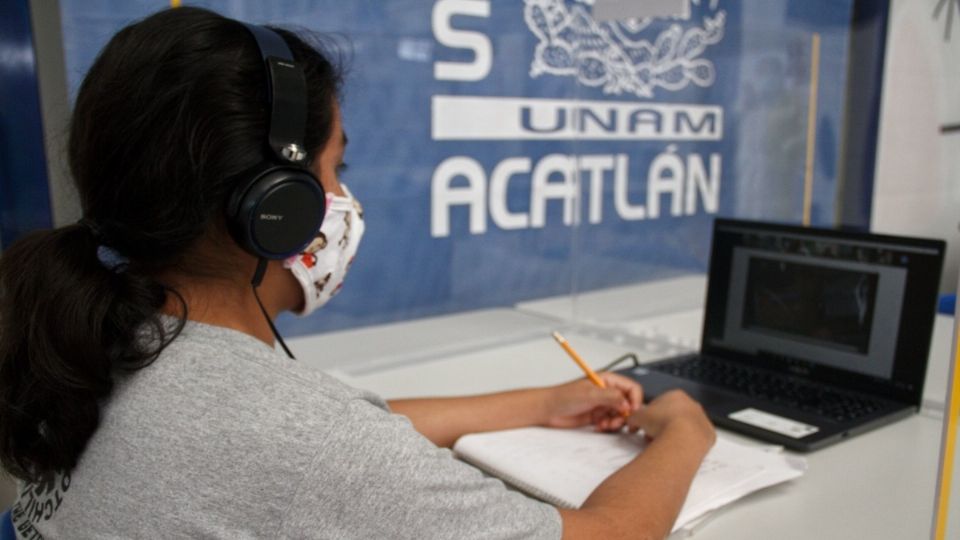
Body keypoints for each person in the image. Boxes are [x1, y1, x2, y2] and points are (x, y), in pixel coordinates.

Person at [0, 7, 715, 539]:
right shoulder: (297, 438)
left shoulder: (106, 335)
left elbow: (344, 433)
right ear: (275, 208)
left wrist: (541, 402)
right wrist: (686, 430)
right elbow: (610, 536)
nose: (343, 200)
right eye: (335, 168)